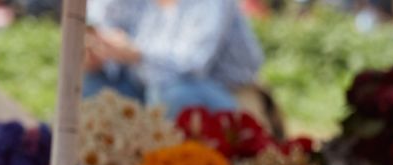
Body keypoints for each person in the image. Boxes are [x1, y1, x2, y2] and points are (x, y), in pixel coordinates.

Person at [83, 0, 266, 114]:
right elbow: (103, 22)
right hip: (145, 88)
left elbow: (191, 64)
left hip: (219, 92)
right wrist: (99, 57)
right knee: (92, 84)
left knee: (171, 93)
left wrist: (135, 53)